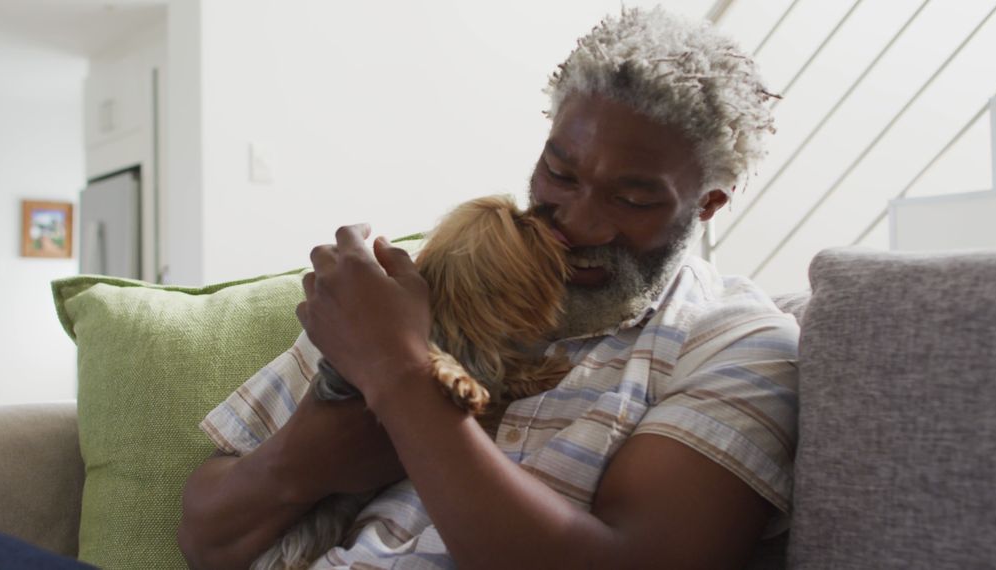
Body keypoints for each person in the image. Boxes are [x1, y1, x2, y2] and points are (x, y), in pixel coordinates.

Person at [178, 7, 798, 569]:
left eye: (631, 198)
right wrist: (307, 458)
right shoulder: (428, 284)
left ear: (709, 203)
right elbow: (204, 537)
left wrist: (400, 376)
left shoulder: (735, 344)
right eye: (560, 173)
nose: (577, 223)